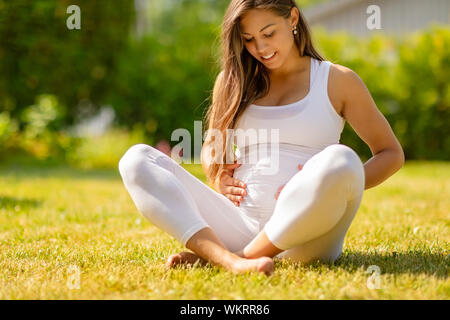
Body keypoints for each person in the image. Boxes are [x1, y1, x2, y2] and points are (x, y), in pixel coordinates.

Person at [118, 0, 404, 276]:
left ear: (292, 19)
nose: (261, 47)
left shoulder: (337, 80)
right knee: (137, 159)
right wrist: (218, 176)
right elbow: (212, 148)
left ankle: (239, 258)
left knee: (341, 158)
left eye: (268, 33)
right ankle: (227, 258)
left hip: (309, 239)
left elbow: (390, 153)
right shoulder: (232, 81)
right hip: (238, 225)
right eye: (249, 39)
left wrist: (338, 185)